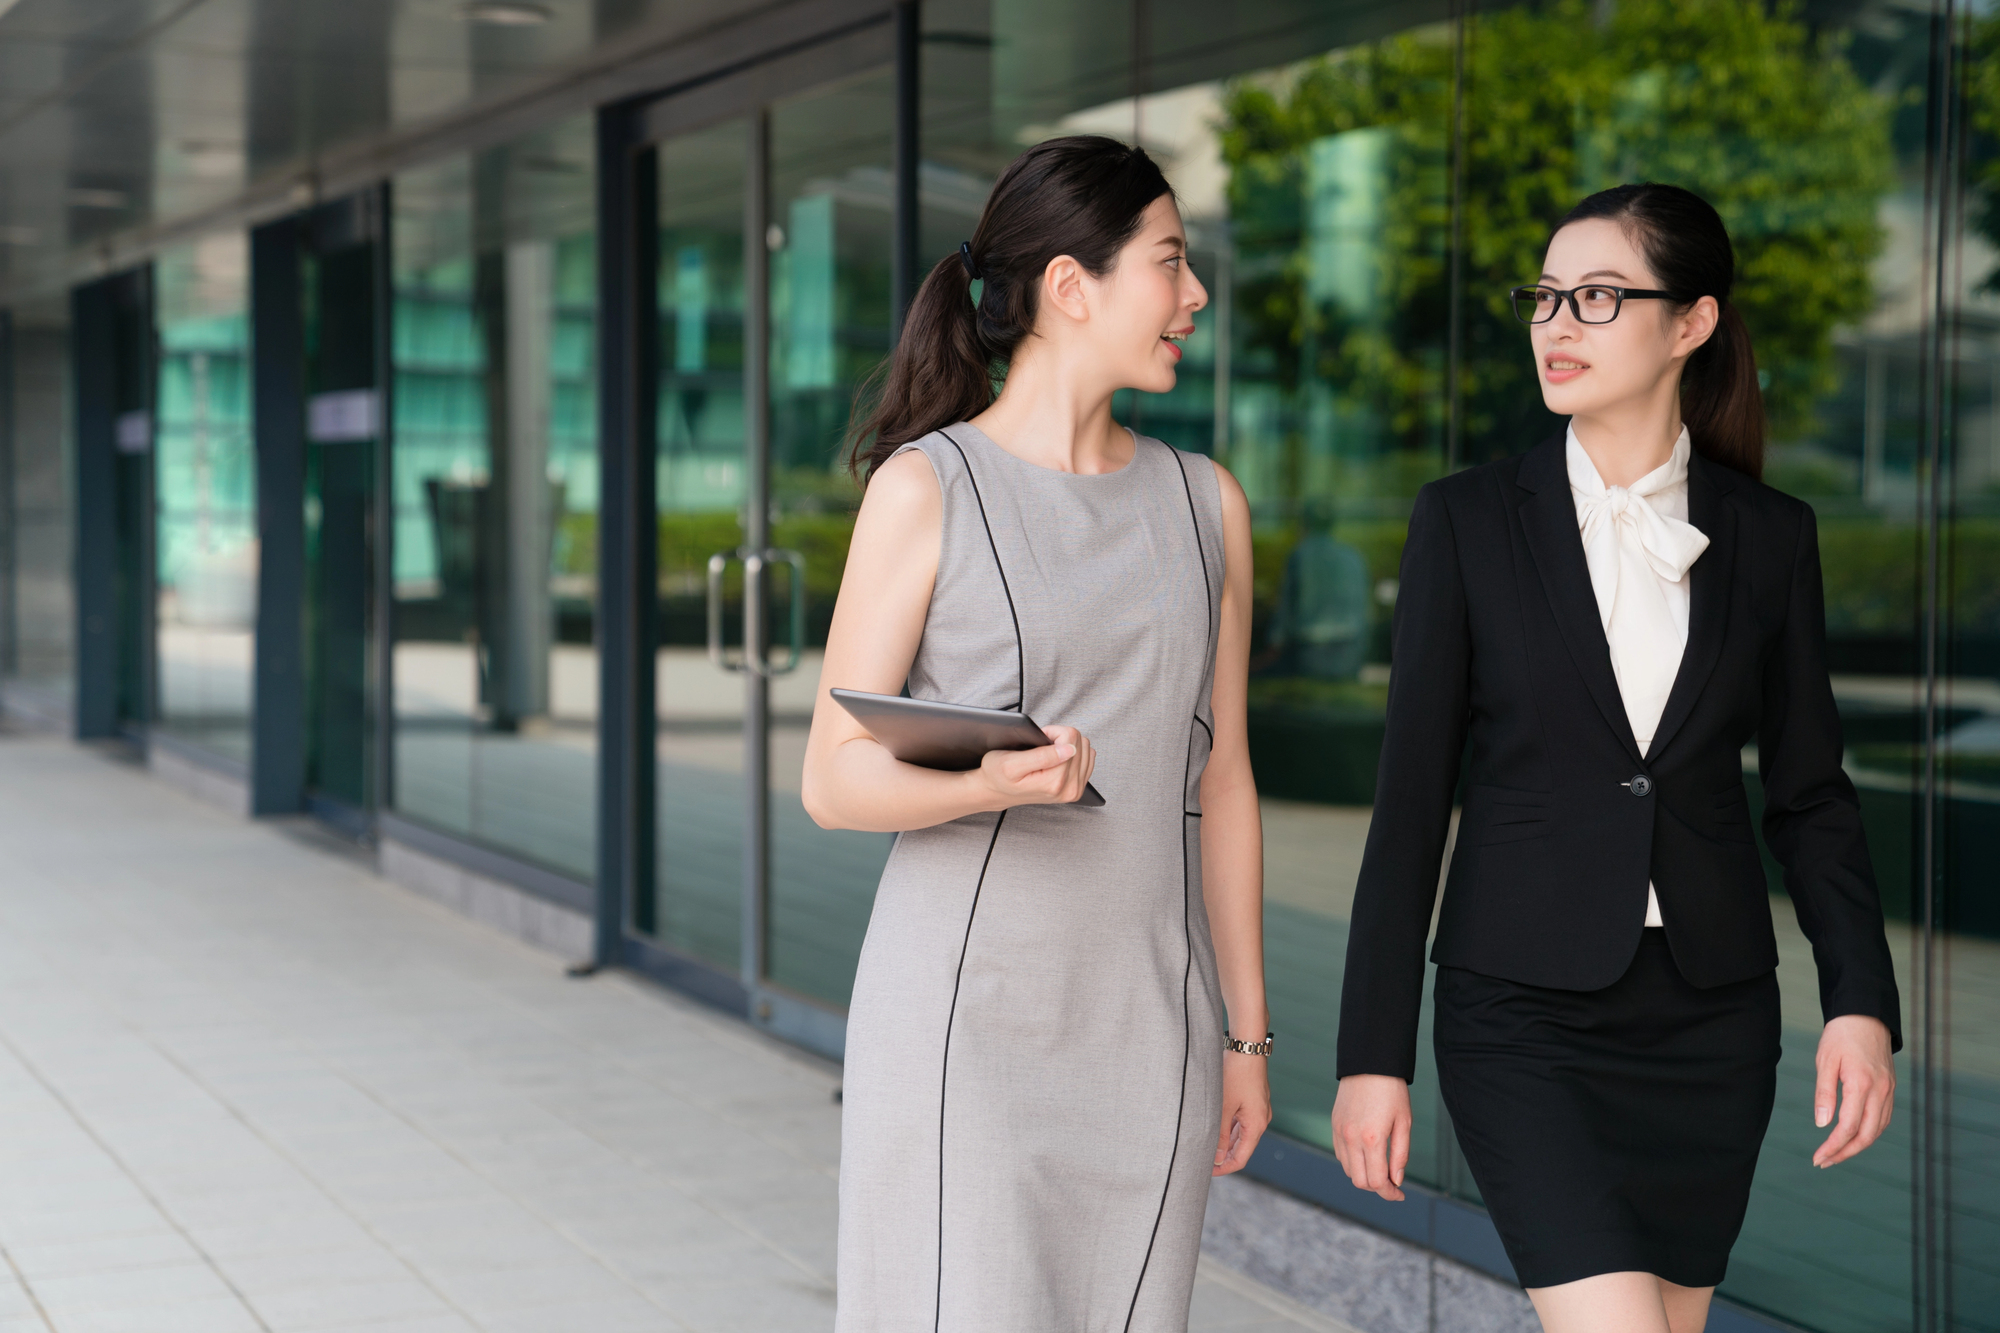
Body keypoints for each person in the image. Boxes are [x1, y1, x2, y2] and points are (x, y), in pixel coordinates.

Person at [1329, 183, 1902, 1333]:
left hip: (1710, 1021)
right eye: (1543, 297)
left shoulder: (1768, 536)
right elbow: (1407, 807)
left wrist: (1860, 1000)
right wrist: (1368, 1055)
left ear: (1688, 323)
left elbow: (1808, 794)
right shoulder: (1464, 520)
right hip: (1519, 1016)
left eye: (1594, 297)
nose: (1554, 324)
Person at [804, 136, 1272, 1332]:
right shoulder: (927, 488)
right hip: (967, 1021)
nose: (1193, 296)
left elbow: (1221, 782)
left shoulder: (1205, 503)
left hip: (1148, 1026)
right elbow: (832, 778)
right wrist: (988, 783)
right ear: (1072, 286)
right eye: (1169, 263)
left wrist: (1246, 1033)